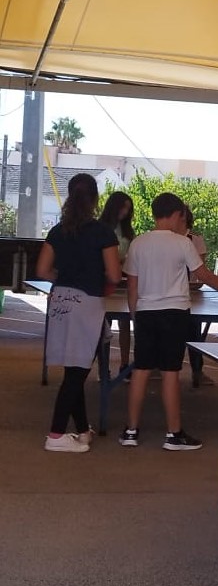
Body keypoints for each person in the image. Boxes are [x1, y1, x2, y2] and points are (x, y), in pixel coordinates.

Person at [120, 192, 218, 451]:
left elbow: (132, 286)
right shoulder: (182, 243)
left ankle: (130, 431)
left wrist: (135, 316)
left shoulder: (138, 243)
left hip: (145, 313)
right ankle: (173, 435)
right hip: (174, 313)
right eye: (182, 217)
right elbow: (205, 276)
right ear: (177, 215)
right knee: (170, 372)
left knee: (141, 370)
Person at [37, 173, 122, 452]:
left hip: (60, 299)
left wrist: (64, 277)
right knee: (78, 372)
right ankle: (56, 434)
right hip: (87, 304)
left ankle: (83, 430)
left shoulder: (57, 231)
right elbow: (114, 274)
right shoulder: (103, 232)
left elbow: (42, 270)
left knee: (73, 368)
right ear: (95, 199)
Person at [99, 191, 135, 376]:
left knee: (125, 324)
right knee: (103, 325)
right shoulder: (100, 227)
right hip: (104, 279)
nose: (125, 212)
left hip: (123, 280)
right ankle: (103, 368)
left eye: (128, 209)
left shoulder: (128, 231)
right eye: (123, 207)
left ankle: (124, 365)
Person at [178, 205, 214, 388]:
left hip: (193, 294)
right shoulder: (166, 239)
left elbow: (201, 270)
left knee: (194, 331)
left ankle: (197, 370)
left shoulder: (195, 239)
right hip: (172, 295)